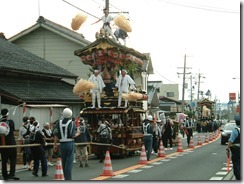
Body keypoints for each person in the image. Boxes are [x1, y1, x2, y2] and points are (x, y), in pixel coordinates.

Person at [53, 108, 81, 180]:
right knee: (69, 163)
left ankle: (64, 177)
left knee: (64, 162)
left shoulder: (59, 122)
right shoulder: (72, 123)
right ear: (70, 114)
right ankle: (68, 179)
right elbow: (73, 135)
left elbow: (55, 134)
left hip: (62, 143)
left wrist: (55, 144)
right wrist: (78, 133)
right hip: (70, 142)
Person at [0, 108, 19, 180]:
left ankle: (5, 175)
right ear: (7, 114)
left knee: (4, 160)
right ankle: (12, 173)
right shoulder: (11, 122)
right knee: (13, 159)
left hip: (2, 145)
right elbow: (12, 131)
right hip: (11, 143)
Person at [226, 115, 240, 180]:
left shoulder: (236, 130)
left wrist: (227, 148)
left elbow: (231, 140)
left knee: (236, 163)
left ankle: (238, 177)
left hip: (237, 149)